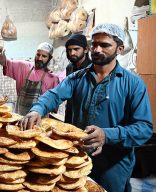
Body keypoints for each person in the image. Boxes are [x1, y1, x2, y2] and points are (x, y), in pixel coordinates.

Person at [19, 23, 154, 192]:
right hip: (76, 158)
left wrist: (107, 135)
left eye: (104, 45)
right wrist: (37, 109)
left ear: (119, 49)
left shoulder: (133, 84)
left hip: (112, 166)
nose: (97, 49)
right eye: (94, 44)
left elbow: (144, 129)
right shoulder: (77, 78)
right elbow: (53, 95)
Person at [0, 42, 60, 115]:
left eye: (44, 56)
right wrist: (0, 54)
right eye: (38, 55)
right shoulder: (23, 66)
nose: (39, 58)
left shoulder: (53, 78)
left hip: (39, 120)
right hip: (19, 115)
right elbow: (4, 62)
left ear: (50, 58)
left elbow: (54, 106)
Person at [65, 34, 92, 123]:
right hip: (70, 111)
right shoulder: (69, 67)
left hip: (85, 115)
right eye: (69, 50)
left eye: (76, 49)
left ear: (86, 49)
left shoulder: (92, 68)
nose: (72, 53)